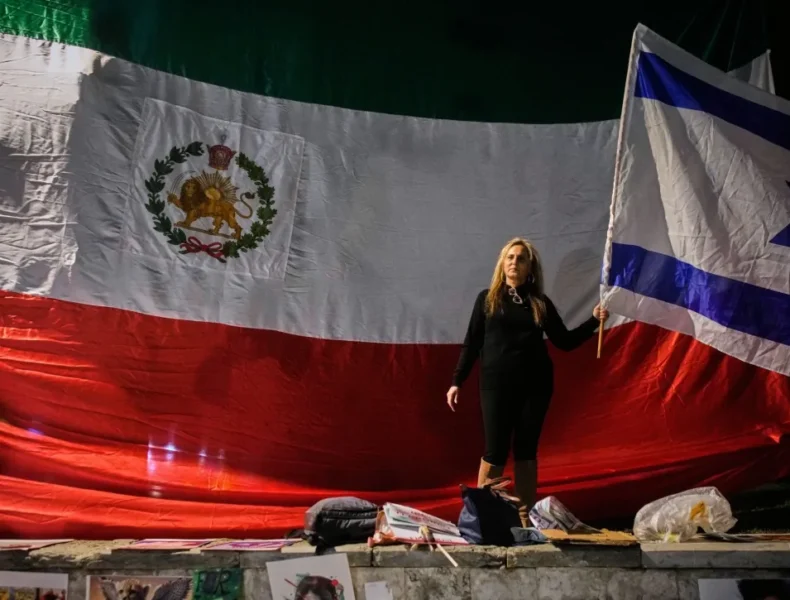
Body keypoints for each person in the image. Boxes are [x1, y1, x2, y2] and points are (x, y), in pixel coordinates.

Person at [446, 237, 608, 526]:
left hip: (535, 387)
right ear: (502, 263)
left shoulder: (539, 303)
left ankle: (524, 520)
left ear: (530, 267)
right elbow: (472, 343)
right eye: (510, 257)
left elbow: (564, 341)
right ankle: (483, 518)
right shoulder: (487, 299)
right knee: (495, 449)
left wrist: (594, 320)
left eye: (521, 259)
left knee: (526, 449)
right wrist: (457, 380)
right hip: (496, 386)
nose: (514, 263)